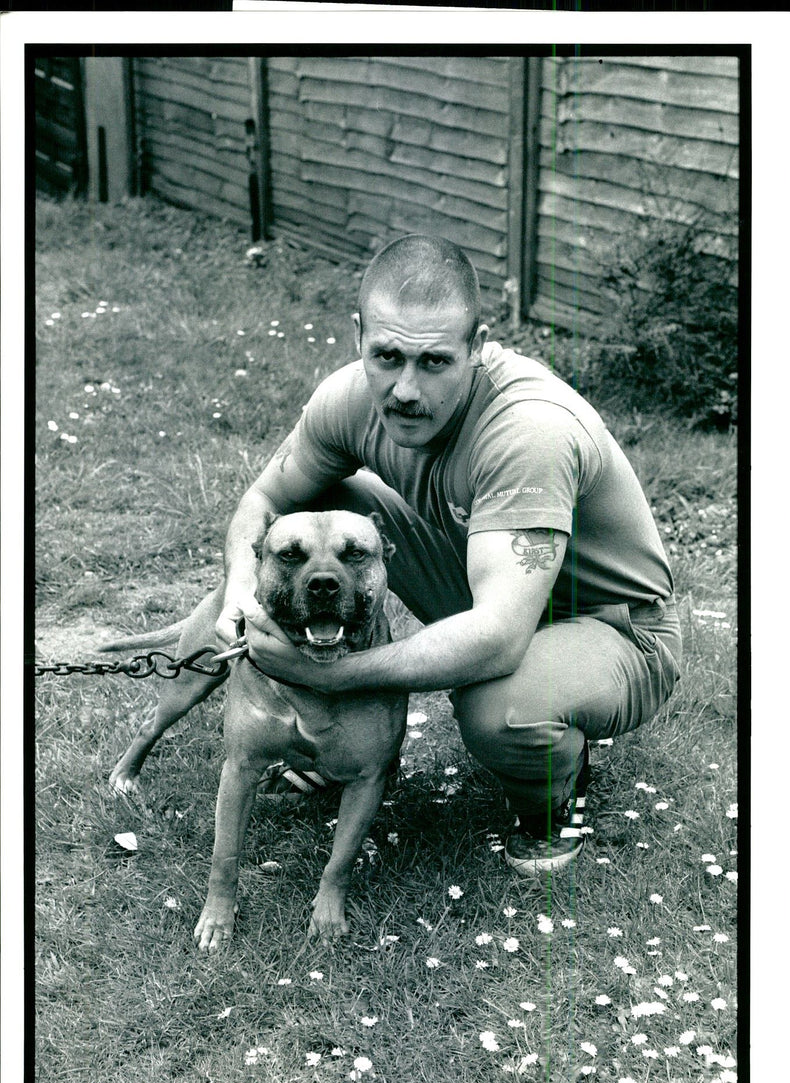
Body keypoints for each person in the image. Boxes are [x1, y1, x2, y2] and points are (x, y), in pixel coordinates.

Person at [215, 234, 682, 874]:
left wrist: (328, 675)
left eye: (434, 362)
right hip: (486, 575)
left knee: (500, 707)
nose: (405, 389)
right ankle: (330, 745)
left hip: (610, 623)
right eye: (386, 356)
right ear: (359, 337)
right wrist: (243, 582)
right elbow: (267, 497)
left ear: (477, 344)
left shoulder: (528, 431)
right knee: (320, 516)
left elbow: (496, 637)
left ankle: (557, 795)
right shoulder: (350, 398)